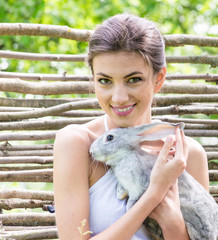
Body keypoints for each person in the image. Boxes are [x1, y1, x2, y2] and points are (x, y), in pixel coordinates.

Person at [53, 13, 209, 240]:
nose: (119, 98)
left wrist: (171, 219)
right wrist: (153, 194)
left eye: (133, 79)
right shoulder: (77, 143)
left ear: (159, 78)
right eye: (105, 81)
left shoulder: (187, 154)